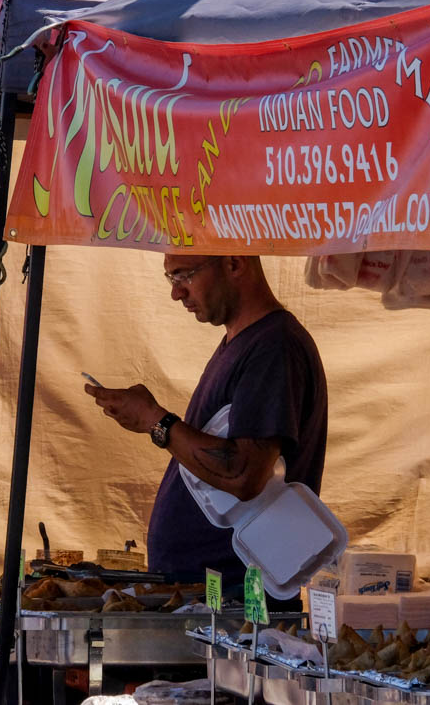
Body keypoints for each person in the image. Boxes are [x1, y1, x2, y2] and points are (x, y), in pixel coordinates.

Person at [84, 254, 327, 608]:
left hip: (237, 604)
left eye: (184, 275)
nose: (176, 293)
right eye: (170, 279)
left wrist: (157, 421)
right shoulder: (243, 342)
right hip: (209, 599)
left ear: (234, 263)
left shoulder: (274, 345)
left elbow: (244, 474)